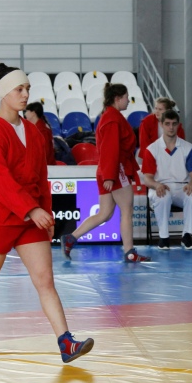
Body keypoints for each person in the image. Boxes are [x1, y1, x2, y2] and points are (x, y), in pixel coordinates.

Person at [0, 63, 93, 364]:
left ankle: (66, 342)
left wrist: (46, 212)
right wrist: (32, 209)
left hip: (31, 216)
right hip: (1, 216)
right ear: (4, 93)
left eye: (27, 88)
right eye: (19, 89)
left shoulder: (32, 130)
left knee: (45, 280)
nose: (26, 94)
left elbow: (41, 176)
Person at [60, 83, 151, 262]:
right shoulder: (112, 119)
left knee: (105, 213)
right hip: (115, 170)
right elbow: (111, 149)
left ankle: (71, 238)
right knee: (127, 210)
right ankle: (130, 252)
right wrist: (110, 176)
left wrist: (108, 174)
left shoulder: (110, 117)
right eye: (126, 97)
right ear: (118, 98)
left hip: (108, 169)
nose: (128, 101)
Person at [142, 110, 192, 250]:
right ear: (161, 124)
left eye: (174, 124)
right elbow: (147, 179)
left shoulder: (188, 148)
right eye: (167, 124)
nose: (171, 127)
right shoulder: (152, 149)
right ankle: (163, 237)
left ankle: (187, 235)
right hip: (160, 186)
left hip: (182, 186)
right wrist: (156, 185)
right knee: (163, 196)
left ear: (178, 125)